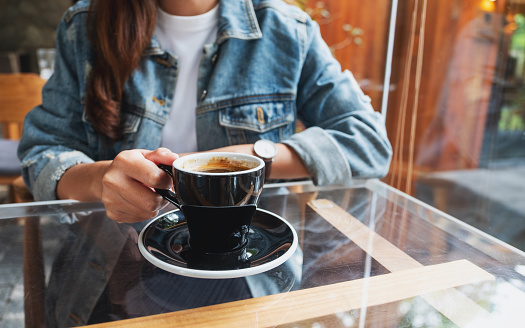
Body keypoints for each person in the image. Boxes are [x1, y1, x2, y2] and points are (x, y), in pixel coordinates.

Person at [18, 0, 392, 224]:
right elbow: (44, 154)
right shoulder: (85, 25)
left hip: (248, 262)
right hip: (113, 260)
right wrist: (102, 180)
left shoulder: (286, 29)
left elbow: (368, 142)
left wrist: (251, 158)